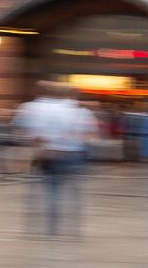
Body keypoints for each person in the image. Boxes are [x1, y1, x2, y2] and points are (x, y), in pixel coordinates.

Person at [14, 82, 96, 237]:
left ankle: (47, 228)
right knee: (73, 191)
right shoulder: (74, 110)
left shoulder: (30, 107)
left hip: (45, 154)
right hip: (72, 154)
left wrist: (39, 146)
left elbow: (25, 132)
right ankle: (73, 228)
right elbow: (85, 133)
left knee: (47, 191)